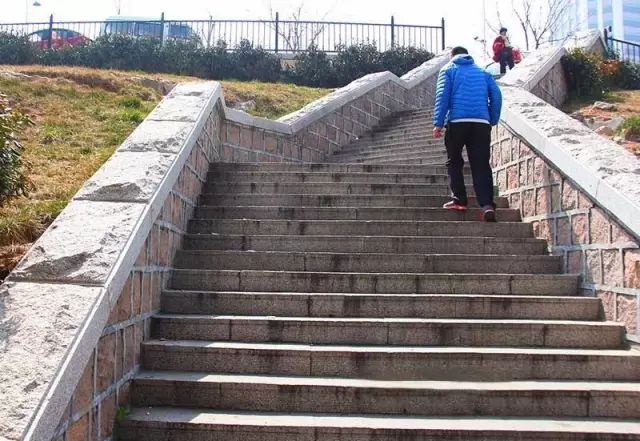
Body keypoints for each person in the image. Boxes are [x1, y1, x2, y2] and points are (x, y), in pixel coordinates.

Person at [432, 46, 503, 222]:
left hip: (457, 122)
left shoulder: (448, 69)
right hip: (481, 123)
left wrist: (438, 123)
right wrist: (492, 118)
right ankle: (486, 205)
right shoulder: (482, 72)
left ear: (452, 56)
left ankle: (460, 200)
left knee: (454, 160)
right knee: (481, 164)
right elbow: (497, 95)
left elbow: (443, 96)